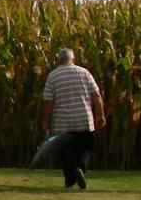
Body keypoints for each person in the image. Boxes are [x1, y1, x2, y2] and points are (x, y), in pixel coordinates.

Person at [40, 47, 106, 189]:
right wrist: (100, 114)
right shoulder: (84, 73)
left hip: (61, 122)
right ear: (73, 59)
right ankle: (80, 168)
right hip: (83, 119)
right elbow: (96, 95)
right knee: (86, 148)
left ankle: (70, 180)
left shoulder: (53, 76)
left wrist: (45, 121)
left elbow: (48, 102)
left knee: (65, 151)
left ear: (58, 60)